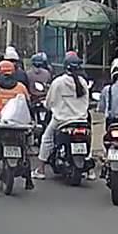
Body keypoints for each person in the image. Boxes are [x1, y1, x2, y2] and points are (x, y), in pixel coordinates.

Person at [32, 51, 93, 180]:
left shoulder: (58, 82)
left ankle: (40, 169)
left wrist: (47, 106)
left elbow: (49, 102)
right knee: (88, 139)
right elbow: (86, 102)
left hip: (61, 120)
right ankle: (90, 171)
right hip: (81, 119)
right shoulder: (83, 82)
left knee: (46, 139)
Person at [0, 60, 36, 190]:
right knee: (25, 147)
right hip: (18, 123)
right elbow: (28, 104)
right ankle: (29, 180)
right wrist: (31, 120)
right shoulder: (21, 87)